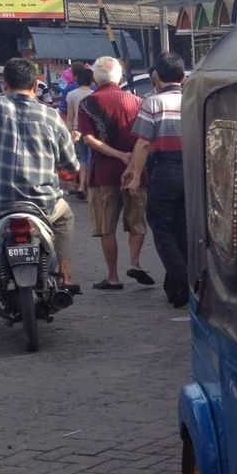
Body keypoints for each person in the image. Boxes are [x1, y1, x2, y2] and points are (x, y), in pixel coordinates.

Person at [0, 57, 77, 343]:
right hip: (43, 205)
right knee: (66, 216)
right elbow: (71, 165)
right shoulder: (50, 116)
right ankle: (66, 276)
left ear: (4, 84)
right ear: (35, 85)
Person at [77, 55, 153, 292]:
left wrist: (117, 155)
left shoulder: (88, 103)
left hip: (103, 173)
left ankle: (112, 276)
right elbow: (144, 139)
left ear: (96, 77)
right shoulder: (137, 101)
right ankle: (135, 262)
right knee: (137, 220)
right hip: (136, 171)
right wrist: (130, 162)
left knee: (106, 226)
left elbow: (88, 139)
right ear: (119, 76)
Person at [122, 51, 187, 307]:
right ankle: (178, 289)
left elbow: (143, 143)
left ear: (157, 77)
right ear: (183, 78)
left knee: (161, 226)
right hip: (192, 171)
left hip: (166, 169)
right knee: (182, 226)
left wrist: (136, 175)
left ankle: (184, 278)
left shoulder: (153, 102)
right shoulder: (193, 99)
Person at [62, 62, 94, 199]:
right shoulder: (95, 94)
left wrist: (69, 132)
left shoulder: (71, 94)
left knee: (81, 159)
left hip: (77, 130)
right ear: (91, 80)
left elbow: (70, 116)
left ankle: (81, 186)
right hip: (92, 132)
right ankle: (87, 188)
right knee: (90, 158)